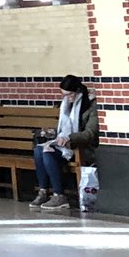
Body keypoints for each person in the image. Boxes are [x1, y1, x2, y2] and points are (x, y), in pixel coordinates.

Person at [32, 74, 98, 209]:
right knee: (39, 150)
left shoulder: (90, 105)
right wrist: (53, 134)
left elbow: (89, 134)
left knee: (48, 154)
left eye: (70, 95)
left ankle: (59, 195)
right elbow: (65, 128)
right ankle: (43, 191)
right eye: (64, 95)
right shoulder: (66, 105)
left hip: (82, 147)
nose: (67, 98)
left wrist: (69, 138)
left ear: (78, 91)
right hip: (66, 144)